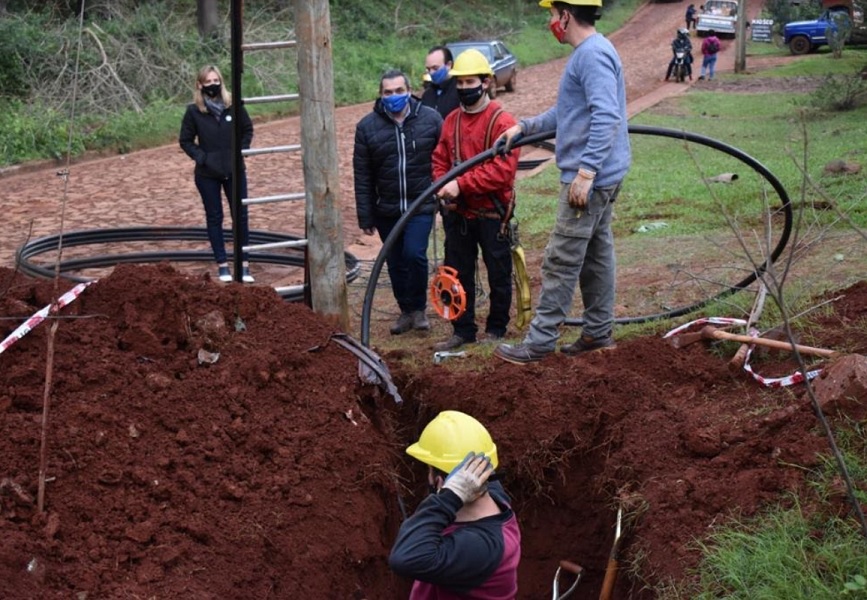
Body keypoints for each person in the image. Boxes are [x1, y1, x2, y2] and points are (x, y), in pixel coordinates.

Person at [493, 0, 631, 365]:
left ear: (567, 15)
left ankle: (540, 343)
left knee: (561, 260)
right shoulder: (592, 51)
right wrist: (526, 127)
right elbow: (570, 112)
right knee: (596, 256)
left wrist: (586, 172)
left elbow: (607, 116)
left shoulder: (591, 55)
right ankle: (598, 332)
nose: (551, 22)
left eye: (553, 15)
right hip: (603, 176)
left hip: (590, 181)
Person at [430, 48, 520, 352]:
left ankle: (496, 329)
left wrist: (461, 184)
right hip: (459, 215)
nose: (464, 88)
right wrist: (444, 187)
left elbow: (502, 172)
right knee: (457, 273)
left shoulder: (502, 121)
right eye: (460, 83)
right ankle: (463, 330)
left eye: (470, 82)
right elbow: (440, 160)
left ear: (485, 82)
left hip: (492, 215)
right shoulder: (451, 121)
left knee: (498, 274)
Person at [389, 410, 521, 598]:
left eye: (429, 471)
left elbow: (404, 557)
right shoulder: (494, 499)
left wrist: (448, 497)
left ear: (443, 482)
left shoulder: (481, 546)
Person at [354, 69, 443, 335]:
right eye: (388, 92)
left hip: (421, 204)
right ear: (381, 95)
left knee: (414, 254)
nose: (394, 96)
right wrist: (365, 215)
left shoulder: (431, 119)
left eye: (399, 91)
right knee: (394, 260)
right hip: (387, 207)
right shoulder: (367, 127)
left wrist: (443, 194)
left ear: (409, 90)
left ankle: (418, 308)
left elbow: (443, 160)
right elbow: (363, 174)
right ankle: (405, 311)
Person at [179, 65, 255, 283]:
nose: (213, 85)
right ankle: (222, 264)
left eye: (216, 80)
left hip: (234, 170)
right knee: (215, 217)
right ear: (200, 85)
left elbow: (247, 129)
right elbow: (185, 141)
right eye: (208, 81)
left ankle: (244, 264)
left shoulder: (235, 105)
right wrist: (202, 158)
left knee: (240, 216)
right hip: (207, 174)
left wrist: (242, 150)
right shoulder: (194, 111)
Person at [421, 45, 461, 119]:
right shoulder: (427, 95)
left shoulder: (460, 91)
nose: (431, 72)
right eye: (428, 69)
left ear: (449, 65)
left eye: (435, 68)